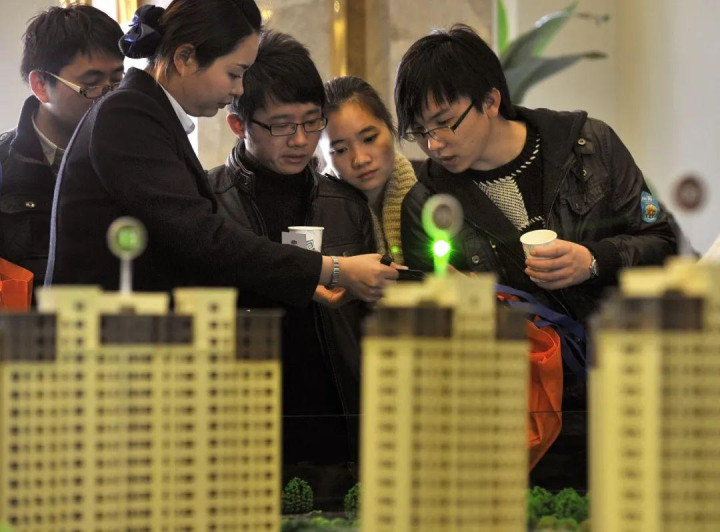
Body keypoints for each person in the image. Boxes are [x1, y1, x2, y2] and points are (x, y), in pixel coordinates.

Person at [396, 24, 680, 490]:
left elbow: (662, 242)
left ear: (490, 101)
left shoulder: (589, 146)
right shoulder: (427, 203)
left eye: (444, 123)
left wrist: (594, 260)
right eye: (420, 132)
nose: (433, 145)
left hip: (627, 391)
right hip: (522, 419)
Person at [45, 0, 398, 310]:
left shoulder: (147, 111)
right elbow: (202, 237)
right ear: (185, 58)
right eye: (234, 73)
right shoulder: (128, 113)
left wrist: (307, 280)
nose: (239, 89)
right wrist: (335, 268)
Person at [207, 31, 372, 504]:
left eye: (311, 122)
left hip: (338, 428)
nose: (300, 141)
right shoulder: (206, 203)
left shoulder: (345, 204)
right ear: (238, 123)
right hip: (239, 429)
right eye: (281, 126)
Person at [0, 4, 124, 285]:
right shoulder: (5, 167)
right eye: (91, 84)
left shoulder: (139, 156)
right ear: (41, 85)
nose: (109, 97)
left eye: (118, 81)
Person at [319, 76, 417, 265]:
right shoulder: (316, 211)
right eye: (340, 150)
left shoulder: (429, 196)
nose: (360, 159)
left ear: (390, 127)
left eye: (369, 139)